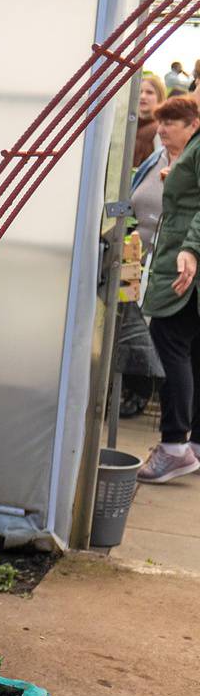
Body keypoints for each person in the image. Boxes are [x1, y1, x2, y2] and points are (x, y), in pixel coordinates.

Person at [138, 94, 200, 482]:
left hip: (184, 267)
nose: (161, 129)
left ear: (192, 124)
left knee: (169, 340)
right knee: (194, 351)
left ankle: (174, 445)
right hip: (186, 264)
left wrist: (191, 249)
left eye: (170, 123)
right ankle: (193, 446)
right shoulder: (190, 150)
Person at [117, 94, 173, 418]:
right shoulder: (156, 159)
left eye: (170, 124)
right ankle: (134, 390)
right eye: (161, 123)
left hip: (167, 262)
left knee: (158, 331)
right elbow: (130, 195)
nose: (162, 129)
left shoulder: (187, 166)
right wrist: (113, 216)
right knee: (130, 323)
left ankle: (146, 394)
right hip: (135, 254)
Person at [135, 74, 167, 169]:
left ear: (160, 97)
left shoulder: (162, 128)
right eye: (140, 92)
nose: (143, 96)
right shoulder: (125, 125)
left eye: (149, 92)